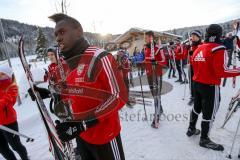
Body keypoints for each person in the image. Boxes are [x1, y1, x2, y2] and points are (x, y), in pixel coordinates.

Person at [30, 13, 128, 160]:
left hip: (105, 136)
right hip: (81, 137)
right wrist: (50, 93)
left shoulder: (100, 57)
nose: (58, 38)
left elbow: (118, 96)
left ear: (78, 32)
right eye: (56, 34)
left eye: (62, 32)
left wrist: (84, 123)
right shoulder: (67, 64)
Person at [186, 24, 240, 151]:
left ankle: (191, 128)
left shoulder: (200, 47)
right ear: (218, 34)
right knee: (209, 113)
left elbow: (193, 63)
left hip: (197, 83)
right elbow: (222, 72)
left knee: (196, 108)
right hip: (210, 86)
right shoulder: (218, 48)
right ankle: (204, 138)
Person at [0, 65, 29, 160]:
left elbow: (8, 100)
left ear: (9, 75)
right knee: (2, 149)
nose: (0, 76)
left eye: (2, 74)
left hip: (9, 123)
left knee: (16, 146)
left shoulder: (13, 87)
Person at [144, 31, 167, 128]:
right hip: (149, 74)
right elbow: (146, 60)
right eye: (146, 37)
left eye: (149, 37)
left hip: (156, 75)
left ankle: (156, 117)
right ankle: (160, 109)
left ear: (153, 38)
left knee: (157, 95)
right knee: (154, 95)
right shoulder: (145, 48)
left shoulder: (158, 48)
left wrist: (156, 62)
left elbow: (164, 61)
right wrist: (142, 63)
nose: (148, 39)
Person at [187, 30, 202, 106]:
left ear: (199, 37)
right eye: (191, 36)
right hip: (192, 66)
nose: (192, 37)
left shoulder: (202, 45)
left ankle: (199, 96)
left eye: (194, 36)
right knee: (191, 82)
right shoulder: (190, 45)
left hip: (200, 67)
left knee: (199, 82)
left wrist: (194, 53)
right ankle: (193, 96)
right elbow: (185, 55)